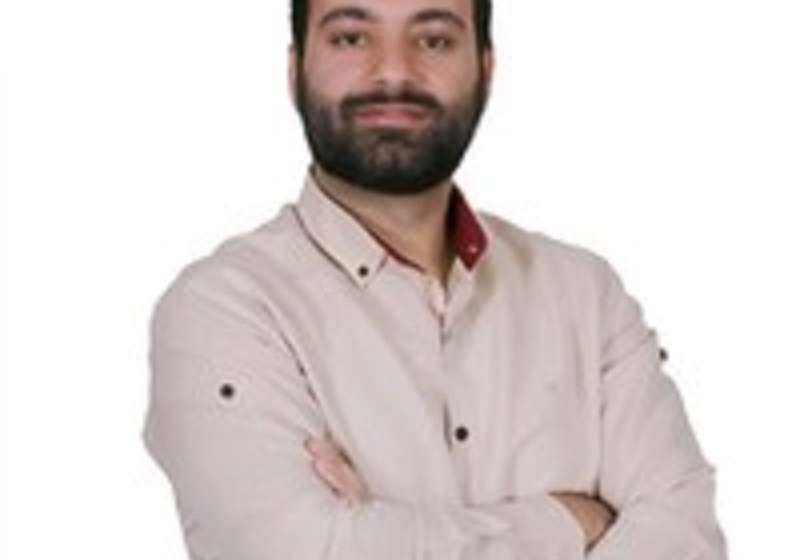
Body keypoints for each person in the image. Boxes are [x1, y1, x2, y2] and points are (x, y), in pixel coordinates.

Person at [143, 0, 727, 558]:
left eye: (434, 40)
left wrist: (376, 534)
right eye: (351, 37)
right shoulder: (223, 311)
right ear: (295, 71)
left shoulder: (586, 296)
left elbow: (688, 537)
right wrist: (570, 522)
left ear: (486, 71)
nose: (394, 71)